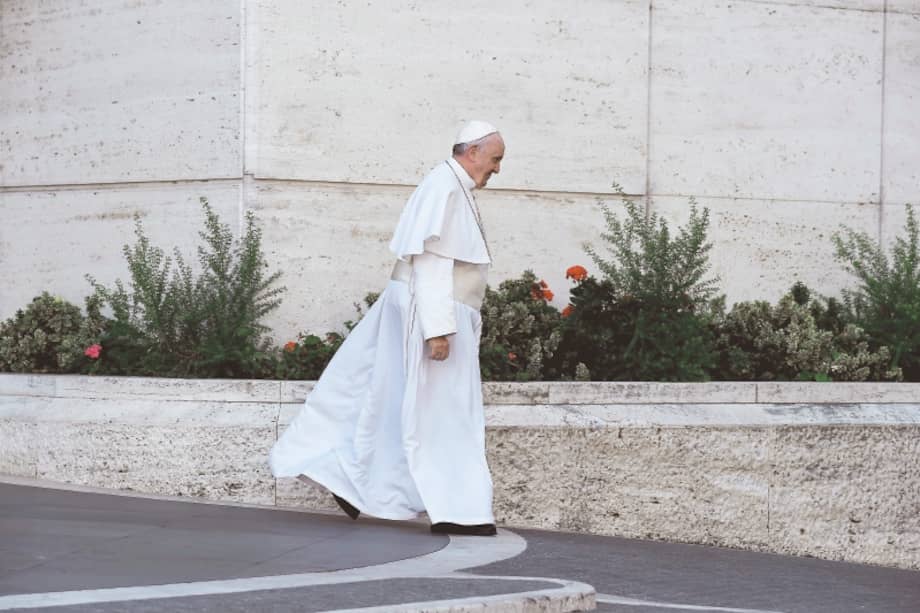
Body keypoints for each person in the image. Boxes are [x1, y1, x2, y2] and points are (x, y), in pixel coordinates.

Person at [269, 120, 506, 536]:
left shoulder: (448, 185)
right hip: (436, 313)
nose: (497, 168)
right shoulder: (445, 187)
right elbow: (431, 262)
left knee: (394, 403)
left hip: (434, 310)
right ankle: (457, 509)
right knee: (445, 414)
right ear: (472, 152)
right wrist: (437, 329)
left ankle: (349, 479)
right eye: (495, 159)